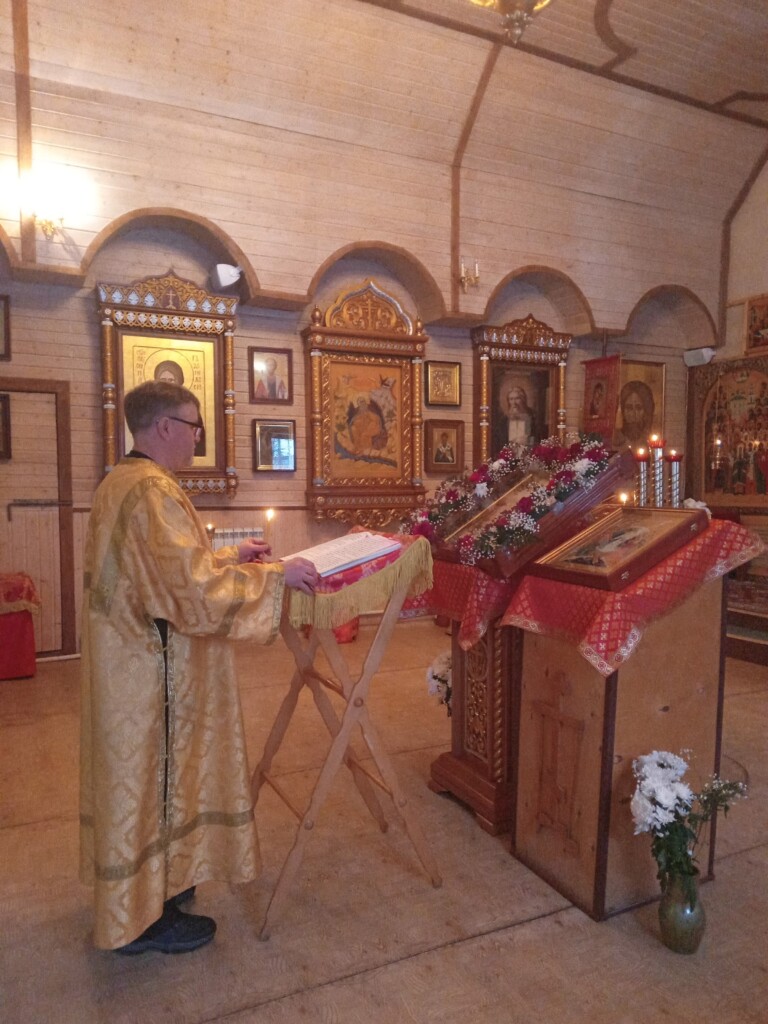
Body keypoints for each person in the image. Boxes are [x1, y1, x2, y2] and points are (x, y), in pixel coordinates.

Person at [79, 380, 318, 955]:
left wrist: (232, 557)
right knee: (153, 781)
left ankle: (152, 890)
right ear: (165, 427)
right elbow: (192, 594)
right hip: (149, 669)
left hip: (128, 662)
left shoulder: (123, 481)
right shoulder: (153, 491)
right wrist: (276, 575)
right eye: (193, 426)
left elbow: (164, 571)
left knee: (148, 785)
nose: (197, 437)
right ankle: (143, 923)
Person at [615, 379, 655, 447]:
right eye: (629, 408)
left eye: (639, 408)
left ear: (647, 411)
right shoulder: (615, 441)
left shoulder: (650, 442)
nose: (633, 414)